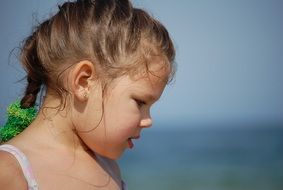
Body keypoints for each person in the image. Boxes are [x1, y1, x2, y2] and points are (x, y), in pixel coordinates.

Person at [0, 0, 175, 189]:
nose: (148, 121)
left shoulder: (109, 167)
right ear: (84, 82)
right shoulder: (9, 171)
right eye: (140, 102)